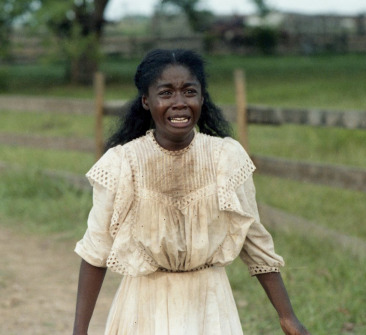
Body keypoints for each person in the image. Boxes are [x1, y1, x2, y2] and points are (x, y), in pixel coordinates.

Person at [73, 49, 310, 335]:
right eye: (166, 93)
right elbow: (95, 250)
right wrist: (80, 331)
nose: (179, 103)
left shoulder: (226, 158)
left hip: (210, 308)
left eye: (189, 91)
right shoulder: (123, 164)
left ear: (201, 98)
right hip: (142, 310)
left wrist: (287, 316)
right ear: (146, 101)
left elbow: (254, 240)